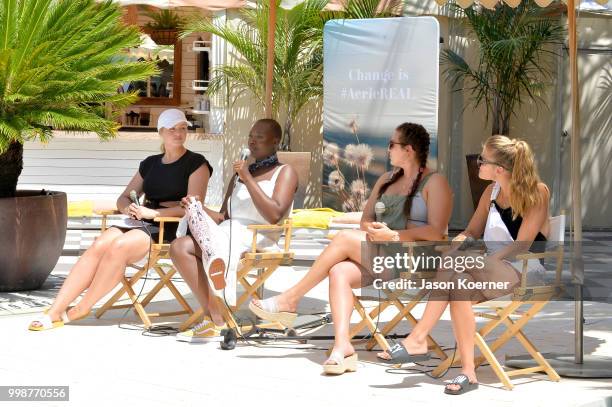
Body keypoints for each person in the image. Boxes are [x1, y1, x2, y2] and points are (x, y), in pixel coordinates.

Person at [250, 123, 453, 374]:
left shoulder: (435, 182)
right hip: (384, 256)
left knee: (345, 238)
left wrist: (394, 235)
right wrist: (376, 230)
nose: (387, 149)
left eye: (392, 144)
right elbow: (364, 221)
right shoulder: (386, 180)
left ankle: (291, 298)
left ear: (409, 150)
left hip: (418, 259)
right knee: (339, 272)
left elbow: (438, 230)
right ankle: (342, 346)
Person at [380, 135, 550, 396]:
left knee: (455, 261)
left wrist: (481, 260)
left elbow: (522, 246)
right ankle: (468, 372)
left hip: (525, 271)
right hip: (491, 271)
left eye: (482, 160)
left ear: (500, 169)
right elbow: (471, 231)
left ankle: (417, 338)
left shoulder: (537, 192)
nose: (477, 163)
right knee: (457, 282)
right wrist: (459, 243)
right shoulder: (490, 192)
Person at [29, 109, 212, 331]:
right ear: (161, 132)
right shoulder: (150, 163)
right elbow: (123, 198)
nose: (178, 133)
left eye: (183, 128)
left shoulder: (196, 163)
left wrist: (153, 214)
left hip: (172, 225)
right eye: (172, 129)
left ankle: (83, 307)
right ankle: (56, 309)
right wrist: (130, 209)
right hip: (141, 219)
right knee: (99, 244)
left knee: (119, 246)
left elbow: (194, 207)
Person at [170, 119, 298, 343]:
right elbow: (223, 216)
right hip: (228, 233)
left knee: (217, 245)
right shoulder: (240, 175)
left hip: (258, 235)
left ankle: (217, 286)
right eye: (251, 136)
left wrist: (248, 178)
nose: (252, 140)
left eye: (259, 136)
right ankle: (216, 318)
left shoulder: (285, 172)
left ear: (276, 141)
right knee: (179, 246)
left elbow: (275, 215)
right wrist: (197, 207)